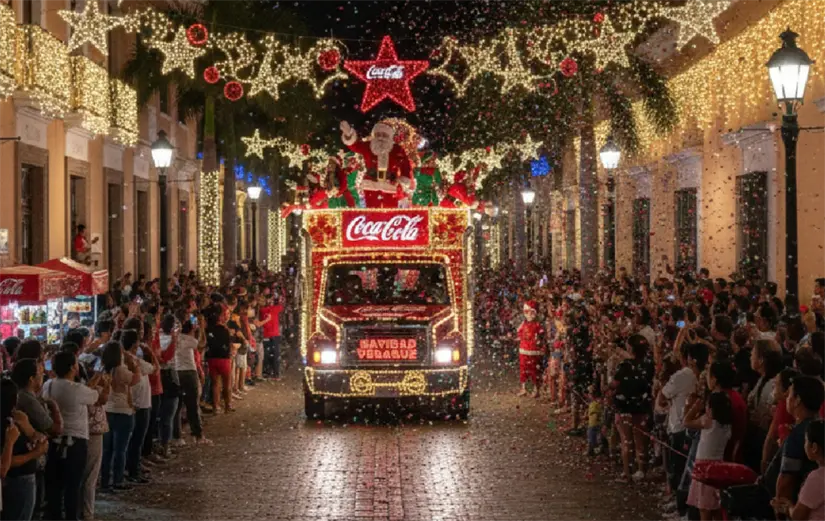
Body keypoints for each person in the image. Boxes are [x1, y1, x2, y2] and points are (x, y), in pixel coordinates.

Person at [41, 351, 102, 521]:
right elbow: (95, 397)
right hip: (75, 442)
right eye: (75, 363)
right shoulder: (77, 389)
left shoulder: (49, 385)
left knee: (54, 486)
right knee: (72, 487)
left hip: (54, 441)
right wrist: (99, 378)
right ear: (71, 367)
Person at [0, 378, 49, 521]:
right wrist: (33, 454)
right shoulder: (7, 428)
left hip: (24, 477)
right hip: (17, 479)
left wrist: (28, 428)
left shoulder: (17, 419)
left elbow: (39, 438)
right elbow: (4, 466)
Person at [774, 376, 825, 504]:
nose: (786, 397)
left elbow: (786, 480)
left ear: (797, 400)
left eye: (790, 394)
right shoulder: (818, 426)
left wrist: (780, 507)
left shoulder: (799, 435)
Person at [339, 120, 413, 208]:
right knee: (372, 213)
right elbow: (355, 146)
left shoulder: (397, 150)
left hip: (390, 185)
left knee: (389, 212)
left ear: (389, 137)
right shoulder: (368, 146)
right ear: (374, 135)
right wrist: (348, 135)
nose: (381, 137)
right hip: (371, 184)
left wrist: (401, 181)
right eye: (378, 134)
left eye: (384, 135)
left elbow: (406, 167)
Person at [612, 334, 654, 481]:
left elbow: (615, 383)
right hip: (641, 406)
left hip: (625, 407)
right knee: (640, 440)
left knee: (626, 440)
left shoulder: (625, 365)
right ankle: (641, 471)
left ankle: (627, 472)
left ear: (630, 348)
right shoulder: (648, 365)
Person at [99, 341, 140, 493]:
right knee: (120, 449)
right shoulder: (121, 370)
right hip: (123, 411)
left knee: (107, 449)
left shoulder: (102, 370)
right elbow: (136, 379)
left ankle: (104, 481)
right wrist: (134, 364)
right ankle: (117, 479)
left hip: (107, 411)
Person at [685, 391, 733, 521]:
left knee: (704, 509)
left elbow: (686, 422)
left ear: (711, 409)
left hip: (704, 470)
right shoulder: (727, 426)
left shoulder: (708, 421)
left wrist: (695, 408)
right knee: (716, 508)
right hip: (719, 469)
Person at [772, 419, 825, 521]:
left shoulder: (816, 478)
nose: (804, 445)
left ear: (814, 447)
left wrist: (788, 507)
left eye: (806, 441)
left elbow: (797, 516)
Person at [175, 320, 209, 444]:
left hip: (177, 372)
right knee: (192, 405)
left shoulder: (176, 338)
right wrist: (202, 331)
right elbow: (201, 344)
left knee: (177, 406)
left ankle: (177, 436)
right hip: (189, 372)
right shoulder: (189, 339)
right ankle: (198, 435)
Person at [205, 304, 233, 413]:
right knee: (227, 384)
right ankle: (228, 405)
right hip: (224, 359)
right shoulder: (225, 330)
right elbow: (228, 344)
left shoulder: (208, 330)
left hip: (212, 358)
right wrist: (230, 354)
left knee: (215, 384)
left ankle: (216, 406)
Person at [517, 300, 544, 398]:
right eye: (526, 312)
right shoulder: (523, 323)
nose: (529, 314)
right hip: (524, 349)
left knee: (534, 371)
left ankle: (536, 390)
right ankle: (524, 388)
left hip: (534, 351)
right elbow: (519, 333)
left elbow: (541, 336)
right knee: (523, 369)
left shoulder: (538, 324)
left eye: (531, 312)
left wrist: (539, 342)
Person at [258, 295, 284, 380]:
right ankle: (275, 374)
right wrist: (275, 302)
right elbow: (281, 307)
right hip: (274, 335)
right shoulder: (273, 309)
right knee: (275, 355)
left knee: (267, 355)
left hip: (267, 335)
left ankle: (267, 373)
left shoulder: (262, 311)